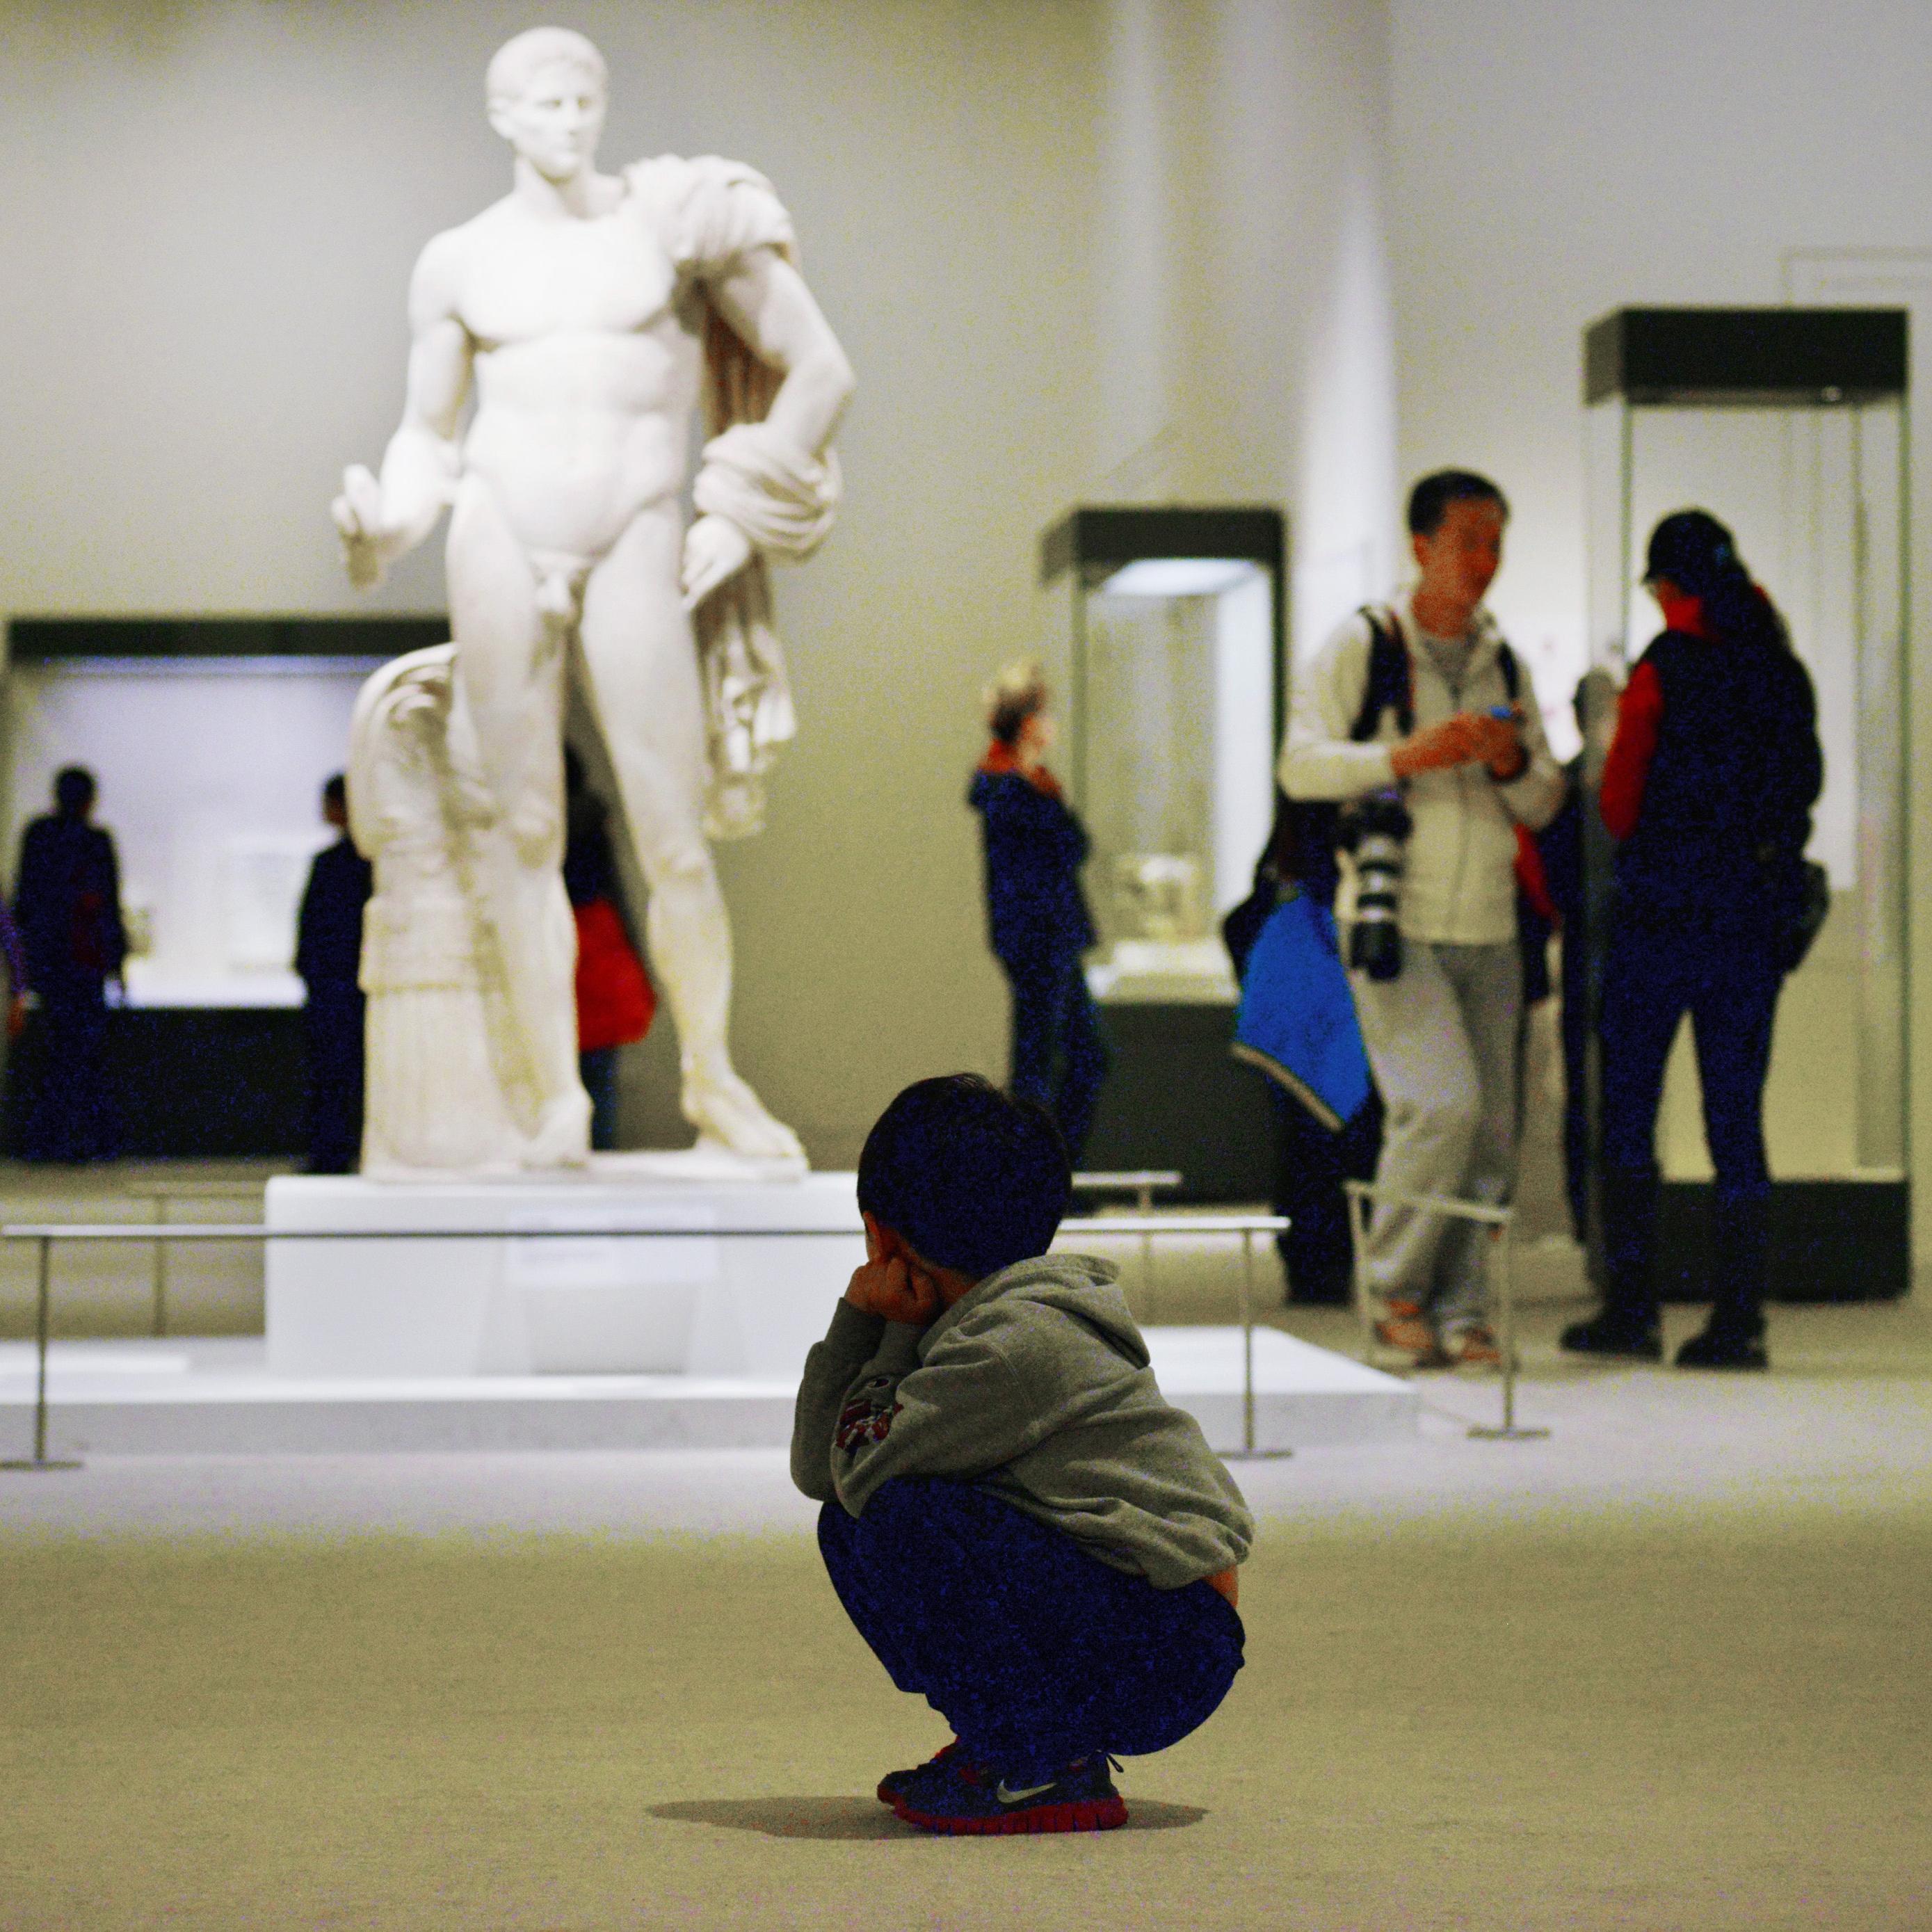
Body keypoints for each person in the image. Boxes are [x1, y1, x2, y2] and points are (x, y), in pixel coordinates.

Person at [331, 26, 854, 1167]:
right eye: (543, 103)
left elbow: (820, 369)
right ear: (501, 116)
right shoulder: (458, 262)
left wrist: (736, 502)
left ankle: (712, 1078)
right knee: (524, 830)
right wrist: (387, 519)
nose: (567, 121)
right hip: (500, 530)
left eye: (583, 100)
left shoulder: (674, 224)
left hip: (633, 527)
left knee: (672, 834)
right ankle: (553, 1097)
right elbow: (428, 436)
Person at [791, 1074, 1250, 1835]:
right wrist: (873, 1328)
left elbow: (847, 1466)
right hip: (1148, 1622)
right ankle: (1012, 1740)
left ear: (881, 1234)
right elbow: (826, 1477)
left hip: (1166, 1645)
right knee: (857, 1519)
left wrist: (879, 1328)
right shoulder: (1000, 1321)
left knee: (898, 1513)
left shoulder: (1010, 1349)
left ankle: (1044, 1762)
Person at [1279, 472, 1564, 1366]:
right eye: (1469, 540)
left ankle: (1461, 1311)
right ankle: (1396, 1288)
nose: (1485, 561)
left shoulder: (1502, 658)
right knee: (1439, 1108)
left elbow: (1547, 799)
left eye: (1496, 542)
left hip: (1491, 923)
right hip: (1390, 915)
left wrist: (1511, 757)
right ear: (1421, 547)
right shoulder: (1365, 643)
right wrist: (1409, 754)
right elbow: (1301, 766)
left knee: (1491, 1132)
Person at [1562, 511, 1822, 1372]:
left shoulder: (1665, 667)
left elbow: (1620, 802)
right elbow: (1805, 787)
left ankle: (1632, 1309)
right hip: (1748, 923)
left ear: (1666, 589)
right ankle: (1739, 1320)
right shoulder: (1782, 667)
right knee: (1736, 1123)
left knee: (1630, 1115)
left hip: (1659, 919)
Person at [967, 663, 1109, 1164]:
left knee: (1080, 1058)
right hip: (1040, 940)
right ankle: (1035, 1172)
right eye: (1043, 714)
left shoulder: (1027, 785)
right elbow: (1071, 845)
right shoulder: (1012, 790)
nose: (1051, 724)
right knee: (1039, 1065)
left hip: (1050, 938)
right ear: (1027, 722)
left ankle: (1054, 1169)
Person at [13, 766, 127, 1162]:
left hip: (56, 966)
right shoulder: (94, 841)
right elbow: (108, 908)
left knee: (59, 1053)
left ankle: (51, 1140)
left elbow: (25, 906)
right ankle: (91, 1140)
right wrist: (118, 966)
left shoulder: (41, 836)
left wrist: (21, 972)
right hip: (83, 964)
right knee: (85, 1054)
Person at [563, 748, 654, 1151]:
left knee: (578, 1076)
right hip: (598, 938)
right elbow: (616, 891)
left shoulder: (562, 818)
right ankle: (595, 1149)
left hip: (579, 940)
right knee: (598, 1079)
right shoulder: (594, 814)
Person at [293, 773, 374, 1174]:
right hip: (346, 984)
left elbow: (312, 932)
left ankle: (333, 1151)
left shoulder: (337, 864)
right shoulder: (357, 864)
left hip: (338, 986)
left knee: (335, 1074)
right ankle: (338, 1150)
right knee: (342, 1073)